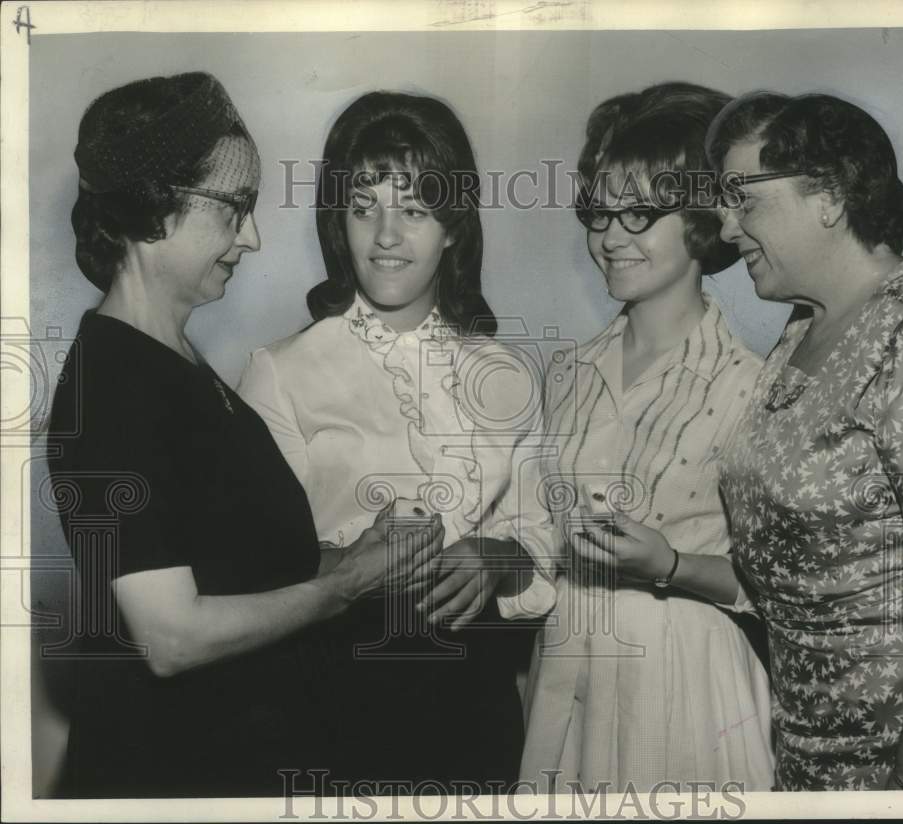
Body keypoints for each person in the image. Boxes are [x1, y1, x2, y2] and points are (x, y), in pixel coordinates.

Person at [47, 72, 444, 798]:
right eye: (236, 209)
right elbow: (171, 638)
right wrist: (348, 585)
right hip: (167, 782)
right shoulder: (110, 386)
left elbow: (233, 563)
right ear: (154, 208)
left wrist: (349, 557)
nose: (253, 237)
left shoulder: (174, 365)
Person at [237, 90, 557, 792]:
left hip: (474, 711)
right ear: (337, 221)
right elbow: (252, 571)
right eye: (363, 208)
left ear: (453, 226)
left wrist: (494, 555)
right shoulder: (280, 373)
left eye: (413, 209)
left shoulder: (506, 374)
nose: (385, 235)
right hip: (326, 706)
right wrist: (355, 560)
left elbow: (541, 547)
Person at [709, 91, 903, 791]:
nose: (725, 226)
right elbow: (795, 571)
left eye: (742, 199)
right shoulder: (802, 330)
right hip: (810, 761)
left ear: (827, 194)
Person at [518, 82, 774, 793]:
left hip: (685, 684)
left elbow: (781, 585)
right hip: (563, 671)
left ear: (699, 219)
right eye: (600, 213)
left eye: (639, 212)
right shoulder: (569, 370)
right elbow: (540, 540)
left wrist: (669, 564)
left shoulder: (753, 385)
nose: (610, 236)